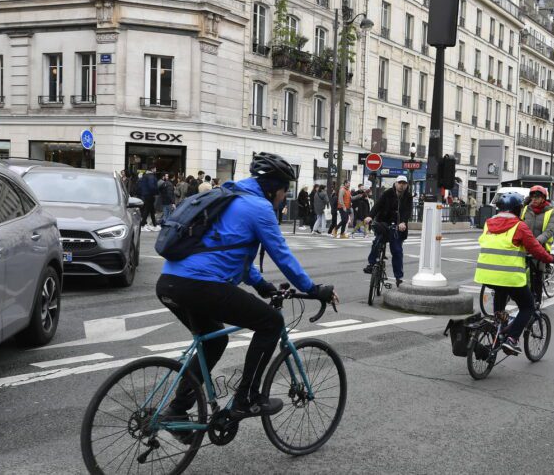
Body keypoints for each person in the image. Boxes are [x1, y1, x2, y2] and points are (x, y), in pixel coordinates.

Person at [156, 152, 338, 425]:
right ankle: (247, 398)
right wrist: (312, 289)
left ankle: (177, 409)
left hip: (170, 282)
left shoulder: (228, 197)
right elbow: (282, 256)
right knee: (271, 322)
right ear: (273, 189)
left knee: (214, 339)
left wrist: (262, 285)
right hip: (202, 285)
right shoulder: (258, 207)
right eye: (284, 190)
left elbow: (230, 252)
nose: (283, 197)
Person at [474, 192, 554, 354]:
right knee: (528, 306)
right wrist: (550, 258)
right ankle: (512, 339)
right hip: (509, 276)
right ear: (518, 209)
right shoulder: (519, 226)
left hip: (486, 275)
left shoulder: (488, 222)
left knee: (499, 297)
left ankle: (498, 331)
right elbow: (535, 248)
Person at [363, 175, 413, 287]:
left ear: (406, 185)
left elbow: (407, 211)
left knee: (397, 251)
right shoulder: (388, 193)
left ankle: (398, 278)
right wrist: (370, 216)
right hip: (383, 222)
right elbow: (378, 205)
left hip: (398, 226)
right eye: (399, 183)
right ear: (395, 183)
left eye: (404, 183)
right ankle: (371, 264)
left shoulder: (408, 196)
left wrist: (403, 222)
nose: (401, 185)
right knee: (377, 241)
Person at [520, 185, 554, 306]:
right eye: (532, 197)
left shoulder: (550, 211)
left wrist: (537, 241)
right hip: (525, 245)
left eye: (537, 197)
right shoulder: (526, 209)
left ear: (543, 198)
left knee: (537, 274)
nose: (534, 199)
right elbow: (520, 224)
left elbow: (550, 230)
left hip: (540, 245)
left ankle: (537, 301)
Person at [138, 167, 159, 232]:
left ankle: (154, 225)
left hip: (146, 195)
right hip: (150, 195)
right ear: (152, 169)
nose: (156, 170)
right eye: (155, 169)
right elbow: (152, 186)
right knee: (147, 210)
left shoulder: (145, 176)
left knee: (151, 210)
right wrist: (156, 192)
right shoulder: (151, 176)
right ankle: (142, 225)